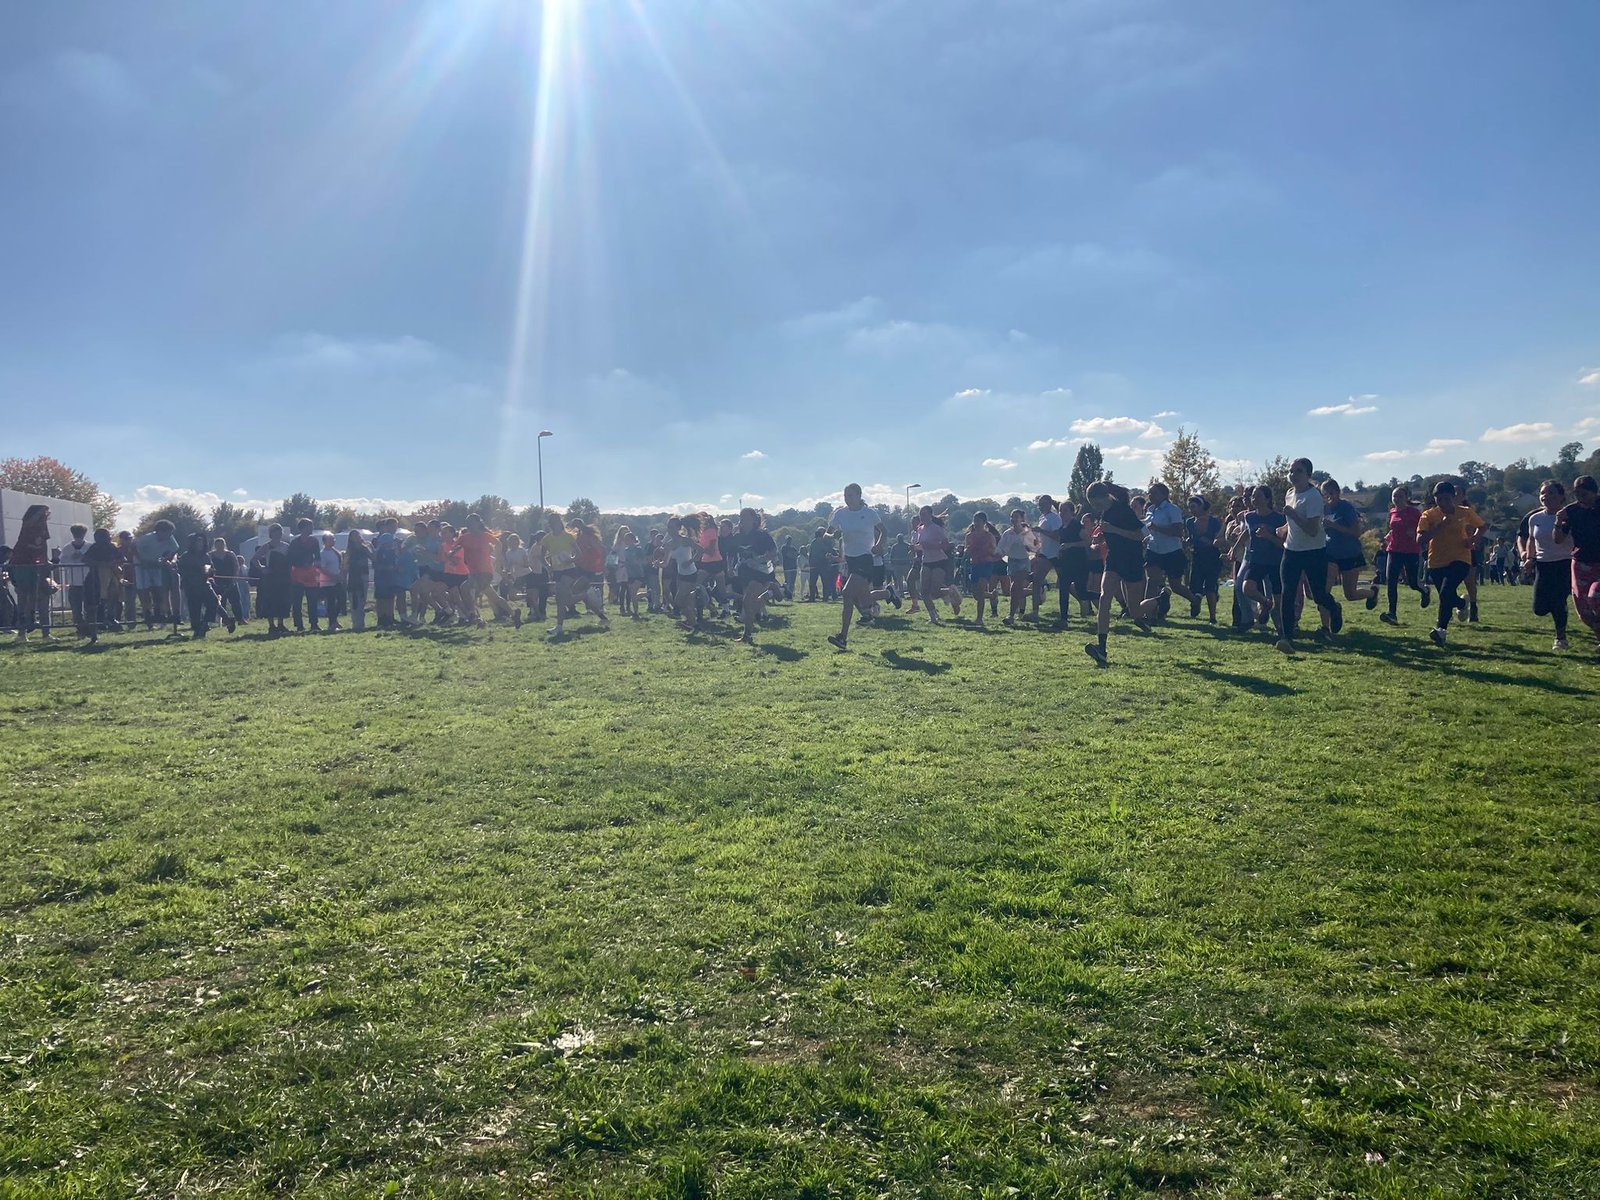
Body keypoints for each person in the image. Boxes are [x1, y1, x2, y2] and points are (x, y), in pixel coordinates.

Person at [1277, 457, 1342, 652]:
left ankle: (1334, 607)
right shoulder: (1290, 493)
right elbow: (1293, 522)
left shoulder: (1313, 497)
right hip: (1291, 550)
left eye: (1298, 471)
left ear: (1308, 475)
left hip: (1313, 551)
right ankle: (1287, 638)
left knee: (1318, 595)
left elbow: (1313, 530)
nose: (1293, 475)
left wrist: (1293, 515)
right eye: (1291, 471)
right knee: (1288, 593)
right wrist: (1284, 528)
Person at [1082, 482, 1146, 666]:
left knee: (1134, 610)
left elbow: (1140, 535)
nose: (1095, 508)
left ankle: (1158, 602)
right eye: (1092, 505)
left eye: (1097, 503)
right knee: (1104, 599)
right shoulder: (1106, 512)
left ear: (1105, 497)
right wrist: (1103, 536)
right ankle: (1101, 649)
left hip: (1132, 560)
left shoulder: (1123, 510)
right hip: (1114, 559)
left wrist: (1113, 530)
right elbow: (1111, 532)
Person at [826, 483, 894, 651]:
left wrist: (878, 545)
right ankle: (886, 595)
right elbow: (829, 532)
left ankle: (844, 635)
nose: (847, 499)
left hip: (865, 559)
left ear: (859, 496)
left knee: (847, 592)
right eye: (845, 496)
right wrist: (830, 536)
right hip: (850, 560)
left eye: (850, 495)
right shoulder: (840, 514)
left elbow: (884, 531)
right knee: (855, 597)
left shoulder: (869, 513)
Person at [1417, 480, 1484, 648]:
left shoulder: (1465, 512)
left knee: (1446, 592)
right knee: (1446, 596)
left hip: (1461, 558)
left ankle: (1441, 630)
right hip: (1436, 561)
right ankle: (1461, 603)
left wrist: (1473, 539)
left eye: (1447, 499)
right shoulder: (1429, 515)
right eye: (1439, 499)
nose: (1443, 503)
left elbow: (1482, 526)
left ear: (1454, 498)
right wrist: (1440, 526)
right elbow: (1420, 539)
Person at [1518, 480, 1574, 650]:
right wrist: (1529, 558)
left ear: (1561, 496)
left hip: (1565, 563)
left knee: (1558, 600)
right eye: (1543, 493)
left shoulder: (1569, 515)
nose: (1546, 496)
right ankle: (1560, 609)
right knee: (1539, 608)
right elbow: (1531, 540)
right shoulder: (1535, 518)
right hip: (1543, 564)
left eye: (1551, 493)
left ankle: (1560, 638)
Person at [1369, 485, 1428, 625]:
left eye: (1400, 496)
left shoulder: (1414, 513)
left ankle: (1425, 590)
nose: (1397, 498)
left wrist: (1415, 532)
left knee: (1412, 583)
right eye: (1394, 496)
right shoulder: (1392, 512)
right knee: (1391, 581)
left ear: (1407, 498)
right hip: (1394, 550)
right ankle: (1392, 613)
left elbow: (1423, 527)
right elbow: (1394, 528)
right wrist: (1388, 537)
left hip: (1411, 550)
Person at [1554, 474, 1600, 649]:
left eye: (1584, 494)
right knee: (1584, 609)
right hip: (1581, 562)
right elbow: (1558, 539)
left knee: (1595, 596)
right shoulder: (1572, 511)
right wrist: (1558, 522)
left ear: (1595, 492)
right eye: (1577, 495)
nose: (1581, 499)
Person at [1239, 485, 1287, 633]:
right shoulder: (1249, 517)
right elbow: (1247, 533)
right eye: (1253, 496)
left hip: (1275, 561)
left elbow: (1283, 544)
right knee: (1247, 588)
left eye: (1258, 496)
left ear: (1267, 499)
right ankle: (1266, 602)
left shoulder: (1279, 518)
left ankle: (1282, 630)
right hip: (1256, 560)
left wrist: (1268, 536)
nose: (1254, 499)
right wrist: (1234, 548)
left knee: (1279, 600)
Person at [726, 507, 778, 644]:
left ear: (754, 520)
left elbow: (773, 552)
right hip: (745, 574)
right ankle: (747, 634)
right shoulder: (738, 536)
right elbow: (731, 553)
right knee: (749, 603)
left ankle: (747, 633)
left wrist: (759, 559)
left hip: (761, 572)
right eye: (741, 517)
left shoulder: (761, 535)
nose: (742, 520)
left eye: (745, 517)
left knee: (748, 601)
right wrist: (730, 567)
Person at [178, 532, 235, 638]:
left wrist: (210, 572)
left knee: (214, 603)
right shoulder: (186, 557)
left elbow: (211, 570)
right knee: (195, 609)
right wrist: (196, 571)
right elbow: (182, 570)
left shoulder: (205, 556)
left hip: (205, 585)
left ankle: (208, 623)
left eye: (202, 542)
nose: (200, 544)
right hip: (191, 586)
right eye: (198, 542)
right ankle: (198, 630)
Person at [1319, 479, 1366, 606]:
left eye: (1331, 493)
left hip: (1349, 553)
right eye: (1325, 494)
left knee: (1350, 595)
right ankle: (1331, 611)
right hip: (1330, 553)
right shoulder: (1324, 509)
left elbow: (1356, 532)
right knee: (1324, 590)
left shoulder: (1346, 508)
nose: (1329, 497)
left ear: (1338, 492)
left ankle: (1372, 593)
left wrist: (1334, 526)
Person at [460, 513, 513, 624]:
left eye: (471, 522)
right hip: (474, 572)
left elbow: (498, 544)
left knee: (468, 589)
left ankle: (474, 616)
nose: (469, 524)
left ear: (478, 523)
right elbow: (456, 546)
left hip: (484, 572)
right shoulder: (466, 537)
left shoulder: (485, 535)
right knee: (494, 597)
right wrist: (451, 553)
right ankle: (513, 613)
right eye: (468, 522)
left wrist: (498, 558)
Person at [10, 504, 53, 643]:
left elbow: (44, 545)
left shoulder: (43, 526)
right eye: (44, 513)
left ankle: (46, 634)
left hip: (37, 565)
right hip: (22, 564)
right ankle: (22, 634)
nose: (46, 515)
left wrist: (45, 561)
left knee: (42, 596)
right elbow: (29, 523)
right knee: (24, 599)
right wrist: (40, 511)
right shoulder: (27, 525)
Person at [135, 518, 180, 630]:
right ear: (160, 531)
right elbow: (134, 547)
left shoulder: (170, 538)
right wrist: (142, 561)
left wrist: (167, 559)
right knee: (144, 589)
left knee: (159, 589)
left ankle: (159, 613)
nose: (170, 535)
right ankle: (147, 613)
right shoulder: (147, 539)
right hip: (142, 565)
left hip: (156, 565)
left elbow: (175, 550)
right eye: (168, 533)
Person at [1183, 496, 1222, 623]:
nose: (1191, 510)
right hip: (1197, 557)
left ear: (1201, 506)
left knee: (1210, 587)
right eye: (1189, 508)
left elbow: (1220, 538)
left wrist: (1210, 542)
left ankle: (1212, 617)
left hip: (1212, 557)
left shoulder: (1214, 522)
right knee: (1195, 586)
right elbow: (1190, 537)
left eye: (1193, 507)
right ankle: (1196, 603)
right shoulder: (1189, 522)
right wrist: (1187, 542)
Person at [253, 524, 292, 637]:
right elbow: (255, 559)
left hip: (283, 576)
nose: (278, 533)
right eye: (275, 531)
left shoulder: (286, 546)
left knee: (283, 601)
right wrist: (262, 568)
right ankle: (271, 625)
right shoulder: (267, 546)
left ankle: (280, 624)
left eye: (279, 531)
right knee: (270, 601)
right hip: (271, 577)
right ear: (271, 533)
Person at [996, 509, 1034, 626]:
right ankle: (1035, 592)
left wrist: (1029, 548)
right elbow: (1001, 548)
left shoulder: (1027, 533)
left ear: (1022, 519)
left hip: (1023, 561)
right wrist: (997, 554)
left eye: (1016, 516)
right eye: (1012, 517)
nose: (1013, 519)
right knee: (1017, 590)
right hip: (1011, 561)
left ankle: (1010, 616)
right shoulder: (1007, 533)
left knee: (1014, 588)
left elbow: (1036, 547)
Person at [285, 519, 324, 632]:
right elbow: (290, 559)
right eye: (309, 526)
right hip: (297, 574)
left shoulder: (314, 541)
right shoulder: (294, 543)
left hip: (310, 573)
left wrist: (316, 571)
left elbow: (317, 557)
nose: (312, 529)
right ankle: (299, 625)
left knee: (312, 600)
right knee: (297, 601)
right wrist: (291, 573)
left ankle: (314, 624)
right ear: (302, 528)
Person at [964, 511, 1001, 628]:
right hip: (975, 565)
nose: (976, 523)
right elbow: (966, 551)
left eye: (978, 521)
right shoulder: (969, 536)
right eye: (974, 521)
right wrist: (968, 550)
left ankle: (979, 619)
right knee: (975, 594)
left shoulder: (989, 536)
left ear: (984, 522)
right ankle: (992, 595)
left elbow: (994, 551)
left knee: (980, 590)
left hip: (986, 564)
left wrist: (986, 549)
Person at [59, 524, 92, 634]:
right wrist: (72, 558)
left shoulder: (90, 546)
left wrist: (83, 557)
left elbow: (93, 560)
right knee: (76, 608)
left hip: (88, 581)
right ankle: (80, 627)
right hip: (73, 582)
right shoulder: (67, 548)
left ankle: (89, 627)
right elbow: (62, 561)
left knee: (89, 607)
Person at [209, 538, 248, 627]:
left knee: (236, 601)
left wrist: (234, 577)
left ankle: (240, 619)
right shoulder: (211, 555)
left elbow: (236, 566)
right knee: (220, 602)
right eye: (218, 544)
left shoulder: (230, 554)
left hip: (230, 581)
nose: (220, 546)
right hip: (217, 582)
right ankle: (224, 620)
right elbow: (208, 567)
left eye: (221, 544)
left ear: (224, 545)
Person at [344, 529, 372, 631]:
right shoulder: (349, 550)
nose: (357, 537)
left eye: (358, 535)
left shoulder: (364, 548)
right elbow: (345, 565)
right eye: (354, 536)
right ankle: (356, 623)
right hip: (353, 577)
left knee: (362, 600)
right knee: (354, 600)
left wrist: (371, 547)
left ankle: (360, 623)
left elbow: (373, 558)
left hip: (363, 575)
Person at [319, 533, 346, 632]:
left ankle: (334, 620)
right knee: (331, 602)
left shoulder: (335, 552)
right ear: (324, 541)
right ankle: (332, 623)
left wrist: (340, 575)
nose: (333, 541)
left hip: (337, 580)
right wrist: (332, 576)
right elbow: (322, 568)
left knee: (341, 599)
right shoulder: (323, 553)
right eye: (330, 539)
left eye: (333, 539)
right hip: (327, 582)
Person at [780, 536, 799, 600]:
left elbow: (797, 554)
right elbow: (788, 555)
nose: (789, 541)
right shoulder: (784, 547)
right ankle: (786, 594)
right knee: (788, 582)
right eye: (788, 540)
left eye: (790, 540)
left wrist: (793, 555)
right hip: (787, 567)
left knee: (792, 582)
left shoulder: (793, 548)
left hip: (794, 566)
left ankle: (791, 595)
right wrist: (793, 555)